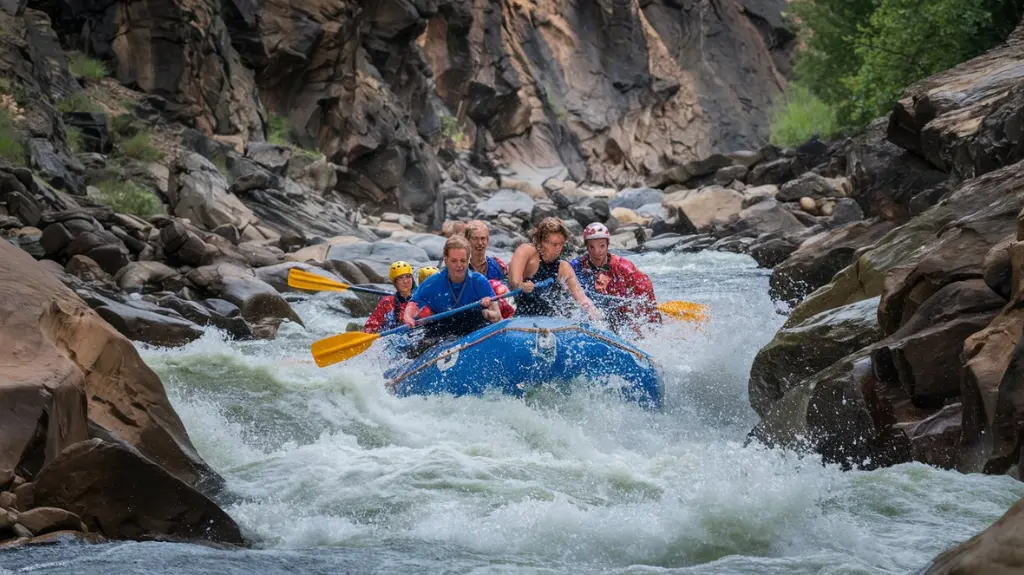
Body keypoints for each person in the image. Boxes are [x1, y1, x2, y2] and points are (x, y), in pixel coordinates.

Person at [403, 235, 502, 342]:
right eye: (454, 261)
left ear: (469, 260)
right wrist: (408, 317)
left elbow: (497, 316)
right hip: (442, 329)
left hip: (473, 330)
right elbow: (414, 304)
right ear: (446, 260)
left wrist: (486, 313)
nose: (459, 265)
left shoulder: (479, 281)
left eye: (463, 261)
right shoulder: (433, 282)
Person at [570, 222, 661, 334]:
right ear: (586, 247)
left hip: (621, 316)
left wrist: (652, 322)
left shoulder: (624, 268)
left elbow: (645, 293)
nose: (597, 251)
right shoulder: (576, 266)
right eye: (592, 247)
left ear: (608, 245)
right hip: (592, 314)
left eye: (602, 246)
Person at [508, 217, 601, 320]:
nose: (558, 249)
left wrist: (593, 311)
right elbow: (514, 282)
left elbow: (582, 298)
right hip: (520, 314)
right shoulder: (526, 251)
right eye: (554, 244)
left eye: (561, 244)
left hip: (548, 319)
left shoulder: (563, 267)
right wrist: (521, 285)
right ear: (542, 241)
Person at [364, 261, 416, 334]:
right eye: (400, 278)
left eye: (408, 276)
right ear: (395, 283)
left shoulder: (420, 300)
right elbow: (371, 326)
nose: (405, 281)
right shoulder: (387, 302)